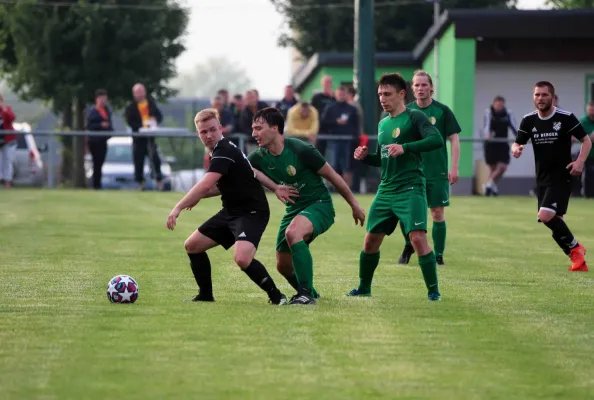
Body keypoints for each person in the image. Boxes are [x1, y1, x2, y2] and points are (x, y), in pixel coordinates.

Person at [166, 108, 290, 304]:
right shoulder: (222, 150)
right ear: (198, 134)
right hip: (231, 211)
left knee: (242, 258)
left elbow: (207, 184)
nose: (208, 135)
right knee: (192, 246)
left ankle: (277, 296)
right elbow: (236, 179)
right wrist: (198, 197)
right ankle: (205, 295)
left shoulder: (224, 150)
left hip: (251, 212)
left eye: (212, 130)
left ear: (220, 128)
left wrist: (178, 207)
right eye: (203, 132)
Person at [249, 107, 365, 305]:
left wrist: (354, 205)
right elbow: (242, 173)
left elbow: (333, 176)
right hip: (293, 210)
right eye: (253, 129)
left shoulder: (301, 149)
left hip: (319, 205)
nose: (254, 134)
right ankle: (311, 291)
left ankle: (305, 295)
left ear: (275, 128)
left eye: (259, 128)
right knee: (283, 266)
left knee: (293, 233)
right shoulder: (258, 157)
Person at [348, 73, 444, 301]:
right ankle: (364, 288)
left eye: (387, 94)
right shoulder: (383, 123)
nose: (383, 98)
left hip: (411, 188)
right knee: (370, 240)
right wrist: (366, 157)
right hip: (386, 189)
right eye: (380, 94)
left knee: (418, 238)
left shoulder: (415, 117)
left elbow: (436, 140)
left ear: (402, 94)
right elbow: (384, 158)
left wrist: (406, 147)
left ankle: (433, 292)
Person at [512, 81, 591, 272]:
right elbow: (516, 143)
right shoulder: (528, 120)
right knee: (556, 220)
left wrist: (580, 161)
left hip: (562, 175)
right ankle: (578, 260)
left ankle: (575, 248)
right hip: (542, 178)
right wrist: (516, 148)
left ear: (552, 97)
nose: (540, 98)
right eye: (537, 95)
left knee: (545, 215)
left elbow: (586, 140)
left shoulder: (565, 118)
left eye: (544, 95)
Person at [397, 70, 461, 266]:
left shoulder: (442, 111)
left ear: (431, 87)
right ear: (411, 88)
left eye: (424, 85)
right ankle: (409, 244)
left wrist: (454, 167)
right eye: (416, 85)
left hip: (437, 170)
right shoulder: (405, 111)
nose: (420, 88)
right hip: (411, 171)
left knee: (437, 213)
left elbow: (454, 139)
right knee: (405, 211)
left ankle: (438, 255)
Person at [124, 83, 164, 191]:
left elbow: (159, 116)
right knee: (138, 161)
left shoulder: (151, 104)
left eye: (141, 91)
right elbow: (129, 121)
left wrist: (154, 120)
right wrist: (141, 126)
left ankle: (159, 181)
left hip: (150, 138)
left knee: (155, 159)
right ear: (134, 94)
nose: (139, 94)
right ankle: (139, 184)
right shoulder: (131, 107)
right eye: (137, 92)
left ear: (144, 92)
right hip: (138, 138)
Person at [321, 84, 360, 189]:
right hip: (333, 142)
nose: (341, 96)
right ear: (336, 94)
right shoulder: (330, 108)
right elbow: (323, 123)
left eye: (343, 94)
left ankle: (347, 190)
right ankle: (331, 190)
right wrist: (336, 122)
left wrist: (356, 139)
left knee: (347, 167)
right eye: (339, 94)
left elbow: (356, 125)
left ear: (346, 95)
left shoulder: (352, 109)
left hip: (348, 142)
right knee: (332, 167)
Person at [482, 96, 518, 196]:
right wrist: (487, 135)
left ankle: (488, 185)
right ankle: (493, 188)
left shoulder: (508, 113)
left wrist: (520, 138)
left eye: (501, 105)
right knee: (493, 169)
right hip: (491, 144)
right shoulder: (488, 112)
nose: (499, 107)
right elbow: (486, 126)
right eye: (497, 104)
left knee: (502, 167)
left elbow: (514, 126)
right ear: (494, 104)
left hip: (502, 144)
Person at [85, 89, 113, 190]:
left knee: (100, 162)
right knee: (96, 162)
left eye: (105, 99)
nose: (103, 101)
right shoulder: (93, 111)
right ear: (97, 99)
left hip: (103, 140)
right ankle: (96, 185)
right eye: (101, 99)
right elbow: (89, 125)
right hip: (94, 141)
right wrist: (100, 125)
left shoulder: (106, 111)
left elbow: (109, 123)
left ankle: (98, 184)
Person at [0, 92, 16, 188]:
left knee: (7, 161)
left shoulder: (6, 109)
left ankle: (7, 182)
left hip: (7, 140)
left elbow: (12, 118)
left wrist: (4, 109)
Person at [580, 101, 594, 197]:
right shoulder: (583, 121)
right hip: (587, 153)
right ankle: (586, 194)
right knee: (587, 175)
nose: (592, 112)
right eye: (590, 109)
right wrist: (590, 137)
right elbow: (579, 137)